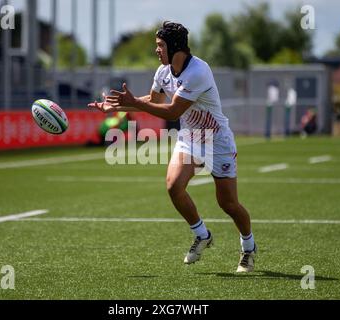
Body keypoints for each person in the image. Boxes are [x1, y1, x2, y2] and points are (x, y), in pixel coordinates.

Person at [89, 21, 257, 272]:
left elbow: (172, 110)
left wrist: (134, 102)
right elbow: (153, 101)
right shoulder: (163, 72)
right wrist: (118, 106)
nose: (156, 50)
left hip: (216, 140)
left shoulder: (198, 72)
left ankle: (249, 247)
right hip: (190, 138)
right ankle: (202, 234)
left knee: (228, 203)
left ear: (175, 46)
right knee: (173, 185)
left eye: (160, 45)